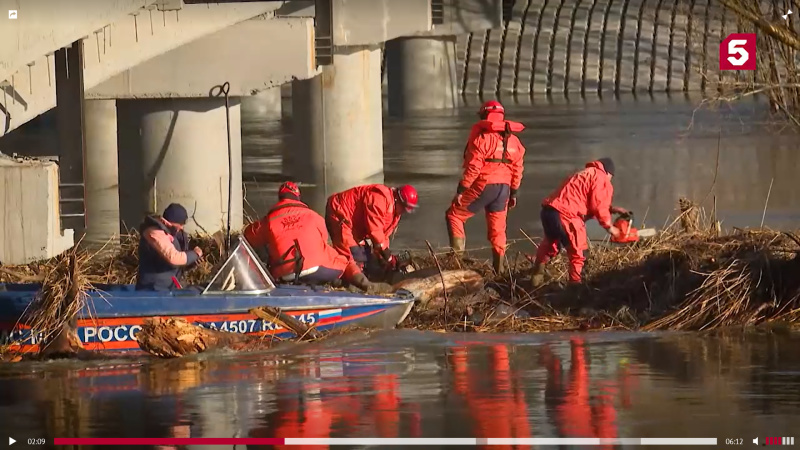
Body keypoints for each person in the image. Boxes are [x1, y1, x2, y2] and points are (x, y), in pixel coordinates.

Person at [243, 182, 391, 293]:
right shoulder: (314, 216)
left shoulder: (269, 221)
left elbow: (247, 236)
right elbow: (323, 240)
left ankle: (338, 284)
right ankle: (363, 284)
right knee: (344, 260)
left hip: (285, 274)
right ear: (298, 197)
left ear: (280, 198)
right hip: (316, 268)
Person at [446, 100, 526, 275]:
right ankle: (500, 270)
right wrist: (513, 193)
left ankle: (456, 263)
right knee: (498, 230)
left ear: (484, 115)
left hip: (483, 185)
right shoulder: (514, 141)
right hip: (504, 189)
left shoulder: (482, 138)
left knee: (454, 215)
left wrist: (461, 190)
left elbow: (474, 167)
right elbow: (518, 169)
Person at [530, 157, 628, 286]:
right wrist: (610, 227)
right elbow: (598, 205)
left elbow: (581, 200)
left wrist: (610, 209)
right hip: (566, 216)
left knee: (549, 243)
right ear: (609, 173)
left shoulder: (582, 172)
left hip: (549, 212)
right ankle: (574, 287)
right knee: (578, 253)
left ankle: (536, 276)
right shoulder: (601, 178)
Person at [325, 184, 418, 275]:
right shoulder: (380, 198)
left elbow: (382, 236)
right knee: (353, 258)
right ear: (398, 199)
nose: (404, 211)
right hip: (339, 213)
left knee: (367, 259)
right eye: (404, 208)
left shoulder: (395, 213)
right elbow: (375, 230)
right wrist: (388, 256)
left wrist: (383, 257)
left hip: (354, 224)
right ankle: (334, 277)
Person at [136, 203, 203, 291]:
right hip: (153, 290)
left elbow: (170, 264)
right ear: (174, 221)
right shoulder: (154, 232)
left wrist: (191, 262)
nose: (182, 228)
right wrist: (195, 254)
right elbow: (173, 258)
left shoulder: (169, 233)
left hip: (168, 288)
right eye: (181, 224)